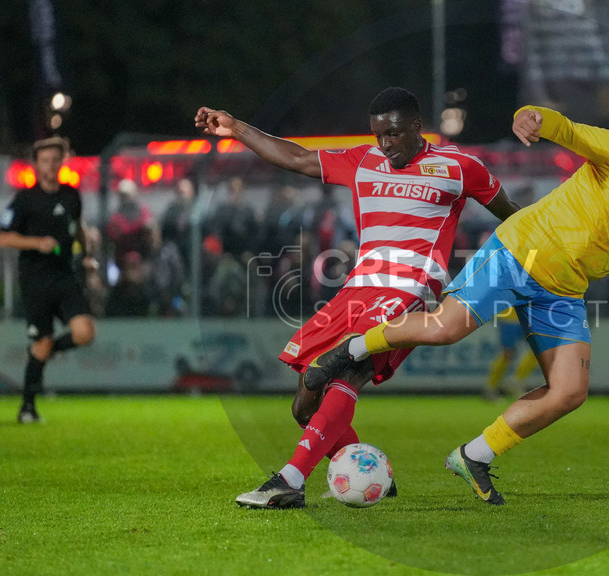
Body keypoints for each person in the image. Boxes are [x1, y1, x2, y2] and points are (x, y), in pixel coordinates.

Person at [305, 105, 609, 505]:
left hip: (563, 290)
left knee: (570, 391)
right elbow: (567, 129)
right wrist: (532, 117)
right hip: (518, 251)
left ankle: (474, 455)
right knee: (445, 329)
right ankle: (352, 348)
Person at [195, 87, 519, 508]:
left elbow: (512, 216)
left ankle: (290, 480)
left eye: (395, 134)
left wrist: (539, 258)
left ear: (418, 128)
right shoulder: (363, 161)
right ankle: (370, 470)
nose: (385, 145)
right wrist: (237, 128)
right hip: (357, 286)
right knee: (304, 399)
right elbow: (296, 158)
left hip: (411, 288)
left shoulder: (458, 167)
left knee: (351, 368)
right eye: (378, 136)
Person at [0, 136, 97, 423]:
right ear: (36, 165)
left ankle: (46, 351)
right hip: (35, 281)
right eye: (45, 161)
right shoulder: (24, 199)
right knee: (41, 342)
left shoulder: (70, 195)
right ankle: (27, 407)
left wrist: (86, 254)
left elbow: (77, 228)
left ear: (62, 162)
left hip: (64, 276)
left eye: (55, 160)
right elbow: (4, 237)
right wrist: (35, 243)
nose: (50, 166)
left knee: (84, 333)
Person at [482, 307, 538, 401]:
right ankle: (491, 387)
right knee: (507, 353)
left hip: (526, 318)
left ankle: (515, 382)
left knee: (538, 350)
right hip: (508, 319)